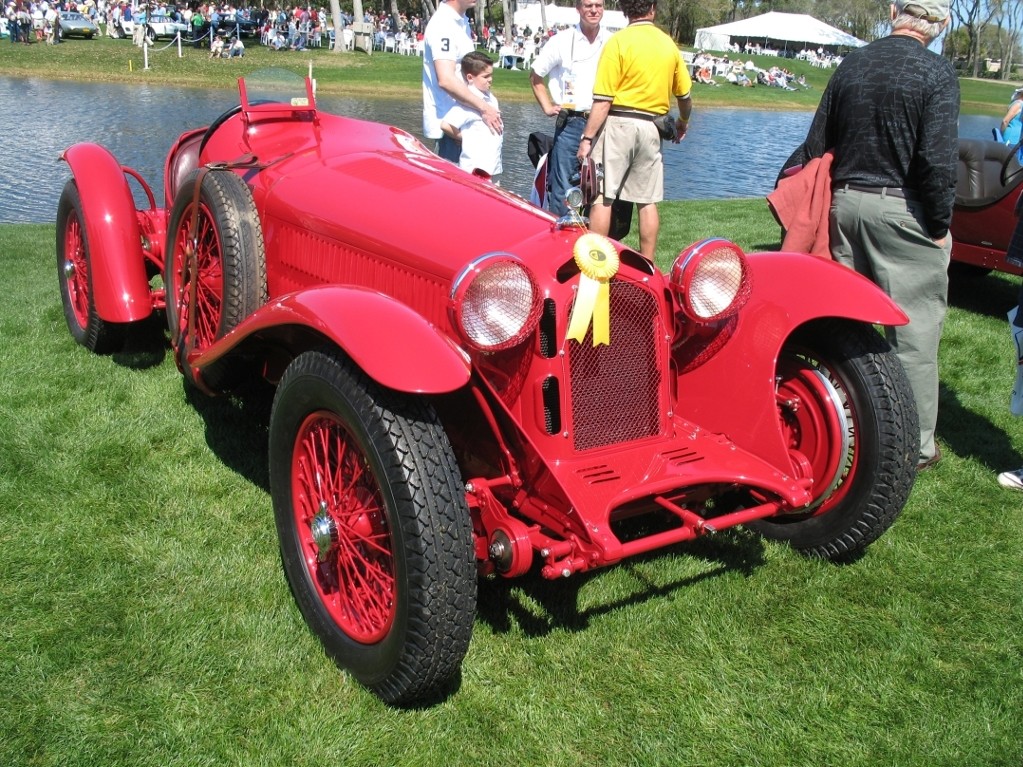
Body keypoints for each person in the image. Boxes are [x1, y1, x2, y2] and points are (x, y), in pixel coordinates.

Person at [781, 0, 958, 471]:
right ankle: (915, 447)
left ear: (896, 11)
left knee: (843, 326)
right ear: (938, 23)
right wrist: (939, 227)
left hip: (844, 206)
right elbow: (936, 163)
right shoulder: (937, 73)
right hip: (905, 212)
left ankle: (843, 422)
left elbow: (815, 144)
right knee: (914, 336)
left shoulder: (852, 64)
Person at [575, 0, 692, 260]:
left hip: (618, 124)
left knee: (603, 197)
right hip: (651, 127)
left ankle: (596, 262)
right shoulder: (668, 44)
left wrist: (587, 138)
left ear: (626, 10)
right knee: (646, 200)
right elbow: (684, 95)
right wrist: (684, 120)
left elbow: (604, 99)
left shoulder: (617, 42)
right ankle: (648, 264)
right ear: (652, 8)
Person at [528, 0, 611, 216]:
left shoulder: (612, 42)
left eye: (598, 5)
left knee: (600, 186)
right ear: (578, 9)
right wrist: (547, 106)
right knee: (563, 186)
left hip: (605, 121)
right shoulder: (561, 41)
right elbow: (536, 76)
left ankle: (592, 241)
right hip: (571, 123)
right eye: (588, 5)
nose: (594, 10)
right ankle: (561, 237)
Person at [422, 0, 502, 164]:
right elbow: (446, 80)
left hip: (467, 123)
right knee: (451, 187)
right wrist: (485, 108)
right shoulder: (443, 24)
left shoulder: (461, 22)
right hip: (451, 128)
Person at [440, 51, 503, 180]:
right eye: (485, 77)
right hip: (474, 170)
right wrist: (466, 138)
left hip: (493, 167)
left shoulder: (491, 98)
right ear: (470, 77)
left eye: (491, 75)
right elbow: (445, 125)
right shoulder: (468, 101)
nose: (490, 79)